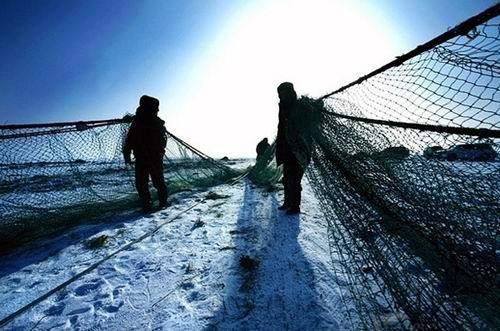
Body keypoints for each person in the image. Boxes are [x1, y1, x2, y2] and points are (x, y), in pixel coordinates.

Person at [123, 95, 168, 212]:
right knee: (143, 183)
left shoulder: (156, 124)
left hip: (153, 157)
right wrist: (127, 155)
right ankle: (148, 205)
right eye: (156, 108)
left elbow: (129, 141)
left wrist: (127, 155)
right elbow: (129, 141)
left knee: (156, 182)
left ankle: (161, 204)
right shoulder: (138, 122)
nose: (158, 110)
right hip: (144, 158)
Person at [275, 82, 308, 215]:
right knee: (286, 178)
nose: (282, 95)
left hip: (299, 150)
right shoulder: (282, 107)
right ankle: (288, 202)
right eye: (280, 93)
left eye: (284, 92)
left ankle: (295, 206)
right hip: (286, 148)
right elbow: (281, 128)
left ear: (290, 92)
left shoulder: (300, 106)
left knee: (295, 179)